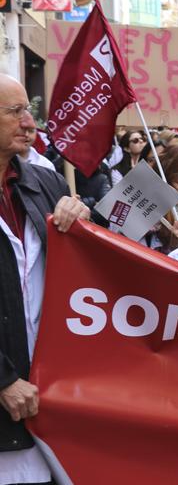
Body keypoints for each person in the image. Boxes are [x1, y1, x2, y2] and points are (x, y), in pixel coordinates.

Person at [0, 74, 90, 484]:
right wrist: (2, 379)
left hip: (46, 399)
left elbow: (96, 269)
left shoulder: (45, 183)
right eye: (15, 112)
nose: (29, 122)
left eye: (29, 110)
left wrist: (86, 220)